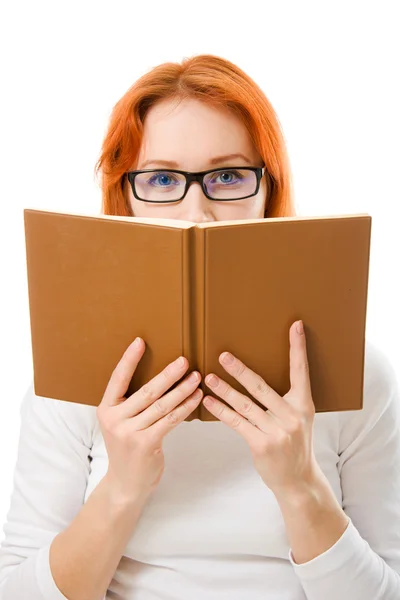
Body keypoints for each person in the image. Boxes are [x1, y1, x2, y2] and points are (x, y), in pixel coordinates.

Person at [0, 54, 400, 600]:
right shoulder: (71, 380)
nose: (196, 212)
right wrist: (122, 487)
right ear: (125, 199)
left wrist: (299, 482)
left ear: (267, 192)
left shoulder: (359, 374)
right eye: (162, 179)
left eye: (228, 176)